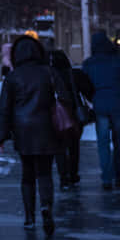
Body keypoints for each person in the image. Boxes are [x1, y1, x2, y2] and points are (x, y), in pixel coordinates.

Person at [0, 33, 64, 236]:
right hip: (47, 129)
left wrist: (1, 136)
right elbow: (65, 97)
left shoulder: (13, 77)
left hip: (23, 131)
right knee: (44, 172)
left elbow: (4, 109)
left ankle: (29, 217)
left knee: (27, 174)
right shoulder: (49, 72)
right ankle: (46, 207)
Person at [82, 30, 120, 190]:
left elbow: (85, 86)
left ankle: (106, 179)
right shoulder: (118, 61)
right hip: (117, 104)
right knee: (118, 142)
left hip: (100, 105)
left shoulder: (89, 63)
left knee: (103, 143)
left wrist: (94, 98)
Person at [47, 41, 94, 190]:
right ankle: (73, 174)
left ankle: (63, 177)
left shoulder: (48, 76)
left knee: (59, 147)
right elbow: (89, 92)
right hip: (74, 114)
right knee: (74, 146)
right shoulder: (75, 75)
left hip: (54, 116)